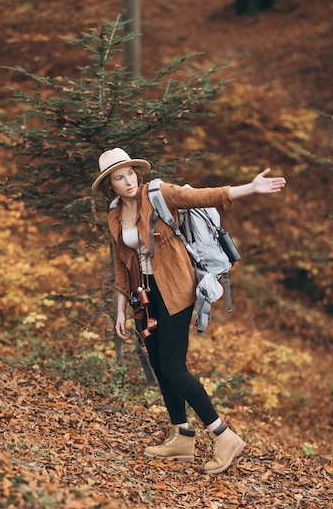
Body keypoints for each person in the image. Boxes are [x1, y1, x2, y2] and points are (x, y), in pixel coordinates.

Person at [92, 147, 286, 475]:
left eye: (130, 174)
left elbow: (205, 196)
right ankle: (182, 436)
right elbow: (120, 263)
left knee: (173, 366)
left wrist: (250, 188)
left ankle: (223, 436)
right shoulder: (114, 214)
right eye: (118, 177)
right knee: (157, 362)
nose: (127, 181)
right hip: (144, 295)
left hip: (174, 288)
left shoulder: (158, 194)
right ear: (109, 185)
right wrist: (121, 309)